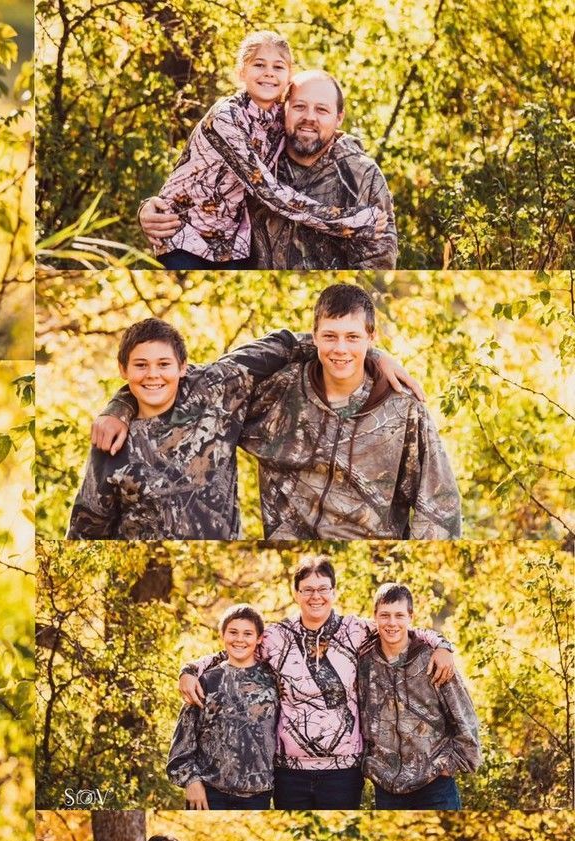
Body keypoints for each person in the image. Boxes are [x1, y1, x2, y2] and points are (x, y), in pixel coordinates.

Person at [76, 316, 421, 540]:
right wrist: (118, 406)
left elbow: (289, 343)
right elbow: (87, 528)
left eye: (164, 364)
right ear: (123, 369)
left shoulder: (218, 387)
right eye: (140, 365)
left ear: (183, 367)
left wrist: (374, 355)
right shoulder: (113, 440)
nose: (153, 374)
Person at [178, 557, 455, 809]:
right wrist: (190, 670)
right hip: (290, 772)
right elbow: (234, 652)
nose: (316, 596)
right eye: (308, 589)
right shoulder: (276, 637)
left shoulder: (356, 631)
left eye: (323, 588)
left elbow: (402, 629)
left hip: (343, 772)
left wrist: (442, 645)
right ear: (296, 593)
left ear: (334, 592)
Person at [236, 283, 461, 539]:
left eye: (353, 337)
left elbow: (439, 509)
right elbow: (220, 391)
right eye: (330, 336)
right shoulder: (282, 390)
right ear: (314, 336)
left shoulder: (403, 408)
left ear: (372, 337)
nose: (341, 349)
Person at [146, 33, 385, 269]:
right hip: (184, 235)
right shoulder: (225, 118)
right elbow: (269, 192)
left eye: (278, 66)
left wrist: (354, 151)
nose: (269, 72)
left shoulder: (279, 117)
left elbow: (316, 129)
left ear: (288, 77)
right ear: (241, 72)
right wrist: (350, 222)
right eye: (259, 64)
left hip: (230, 245)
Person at [358, 584, 482, 809]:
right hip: (386, 788)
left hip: (434, 787)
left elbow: (465, 718)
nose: (392, 623)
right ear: (374, 617)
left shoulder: (432, 660)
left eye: (399, 615)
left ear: (410, 617)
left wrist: (447, 767)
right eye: (384, 615)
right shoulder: (364, 662)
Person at [166, 604, 279, 809]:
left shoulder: (274, 682)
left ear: (259, 638)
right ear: (222, 635)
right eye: (233, 632)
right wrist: (192, 781)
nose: (239, 639)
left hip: (258, 795)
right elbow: (181, 746)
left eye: (248, 633)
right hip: (208, 795)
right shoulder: (207, 681)